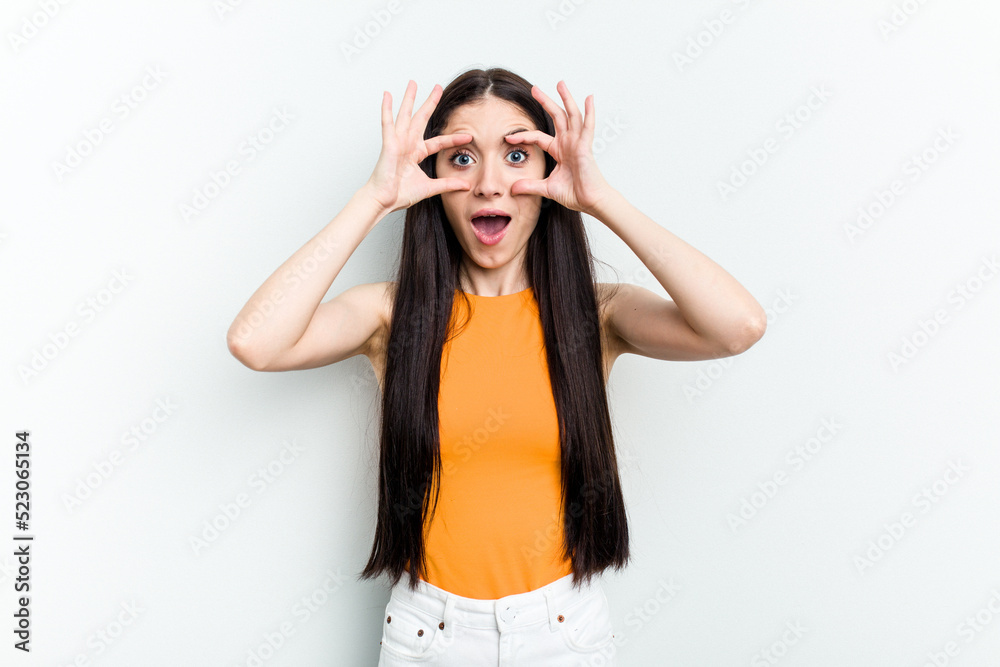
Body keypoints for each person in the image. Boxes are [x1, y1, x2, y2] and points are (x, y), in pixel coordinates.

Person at [226, 67, 766, 666]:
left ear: (548, 172)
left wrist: (601, 198)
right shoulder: (390, 314)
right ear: (431, 178)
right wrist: (373, 198)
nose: (488, 183)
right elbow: (257, 342)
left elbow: (737, 325)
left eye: (515, 154)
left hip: (564, 633)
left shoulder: (596, 314)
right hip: (428, 635)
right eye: (461, 158)